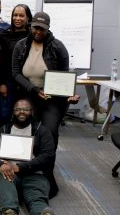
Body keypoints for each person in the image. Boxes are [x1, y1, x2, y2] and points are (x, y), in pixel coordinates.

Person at [12, 11, 80, 197]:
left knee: (49, 132)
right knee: (25, 129)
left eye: (42, 28)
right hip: (28, 94)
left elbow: (64, 77)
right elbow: (16, 73)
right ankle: (26, 167)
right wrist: (33, 90)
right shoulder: (21, 45)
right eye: (35, 27)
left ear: (47, 29)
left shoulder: (58, 47)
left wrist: (69, 95)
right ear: (30, 26)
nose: (38, 31)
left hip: (52, 99)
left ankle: (47, 171)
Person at [0, 99, 60, 215]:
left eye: (26, 109)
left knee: (36, 198)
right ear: (13, 112)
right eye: (18, 109)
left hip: (35, 173)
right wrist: (0, 164)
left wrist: (20, 167)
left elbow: (47, 156)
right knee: (5, 181)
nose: (22, 111)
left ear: (31, 112)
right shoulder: (3, 130)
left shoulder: (42, 130)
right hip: (9, 173)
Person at [0, 4, 33, 133]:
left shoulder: (33, 36)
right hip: (7, 82)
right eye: (15, 15)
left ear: (28, 18)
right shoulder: (3, 35)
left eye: (21, 15)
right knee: (5, 115)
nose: (17, 18)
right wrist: (2, 83)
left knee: (24, 115)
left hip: (27, 83)